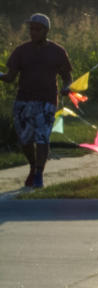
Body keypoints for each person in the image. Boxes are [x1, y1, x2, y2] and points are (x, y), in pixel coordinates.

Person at [2, 13, 74, 189]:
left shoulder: (57, 52)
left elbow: (67, 77)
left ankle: (39, 174)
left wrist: (67, 87)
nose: (33, 32)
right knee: (25, 140)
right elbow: (10, 77)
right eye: (31, 29)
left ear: (46, 31)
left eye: (37, 29)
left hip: (47, 101)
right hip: (23, 101)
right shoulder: (21, 51)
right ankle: (33, 166)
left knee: (42, 138)